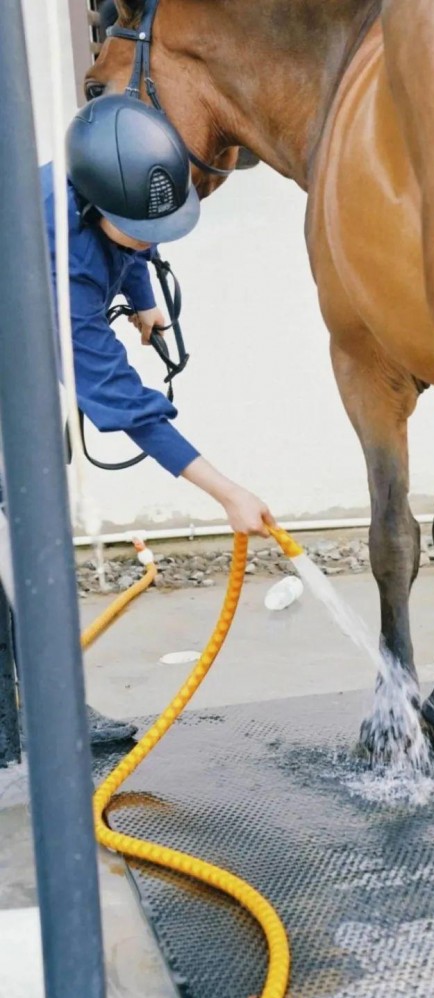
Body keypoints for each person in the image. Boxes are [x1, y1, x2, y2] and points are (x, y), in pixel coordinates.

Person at [39, 94, 276, 745]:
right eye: (143, 229)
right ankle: (30, 719)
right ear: (95, 208)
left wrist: (143, 300)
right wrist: (228, 493)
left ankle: (30, 706)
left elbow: (132, 239)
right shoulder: (66, 267)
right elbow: (121, 401)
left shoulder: (104, 174)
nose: (152, 238)